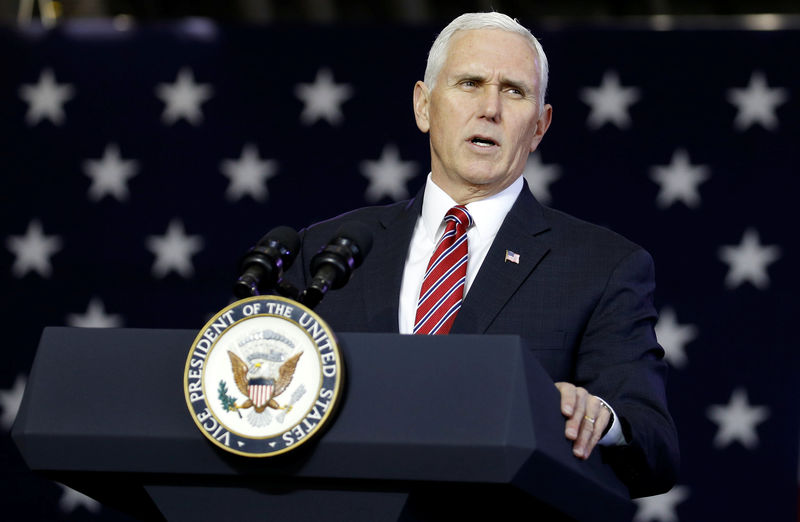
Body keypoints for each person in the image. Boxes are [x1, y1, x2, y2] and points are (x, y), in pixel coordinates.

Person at [286, 12, 678, 500]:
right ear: (424, 106)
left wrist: (602, 416)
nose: (489, 108)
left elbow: (655, 445)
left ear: (539, 127)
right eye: (469, 83)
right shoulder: (326, 251)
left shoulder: (602, 267)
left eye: (514, 90)